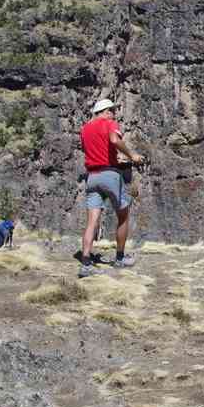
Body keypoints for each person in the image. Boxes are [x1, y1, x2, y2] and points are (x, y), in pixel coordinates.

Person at [78, 98, 144, 277]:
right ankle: (120, 258)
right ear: (105, 111)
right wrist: (132, 155)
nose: (114, 114)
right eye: (112, 111)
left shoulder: (85, 128)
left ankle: (85, 263)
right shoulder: (109, 123)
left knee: (92, 221)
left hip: (92, 177)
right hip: (110, 175)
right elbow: (114, 140)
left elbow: (87, 149)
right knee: (123, 215)